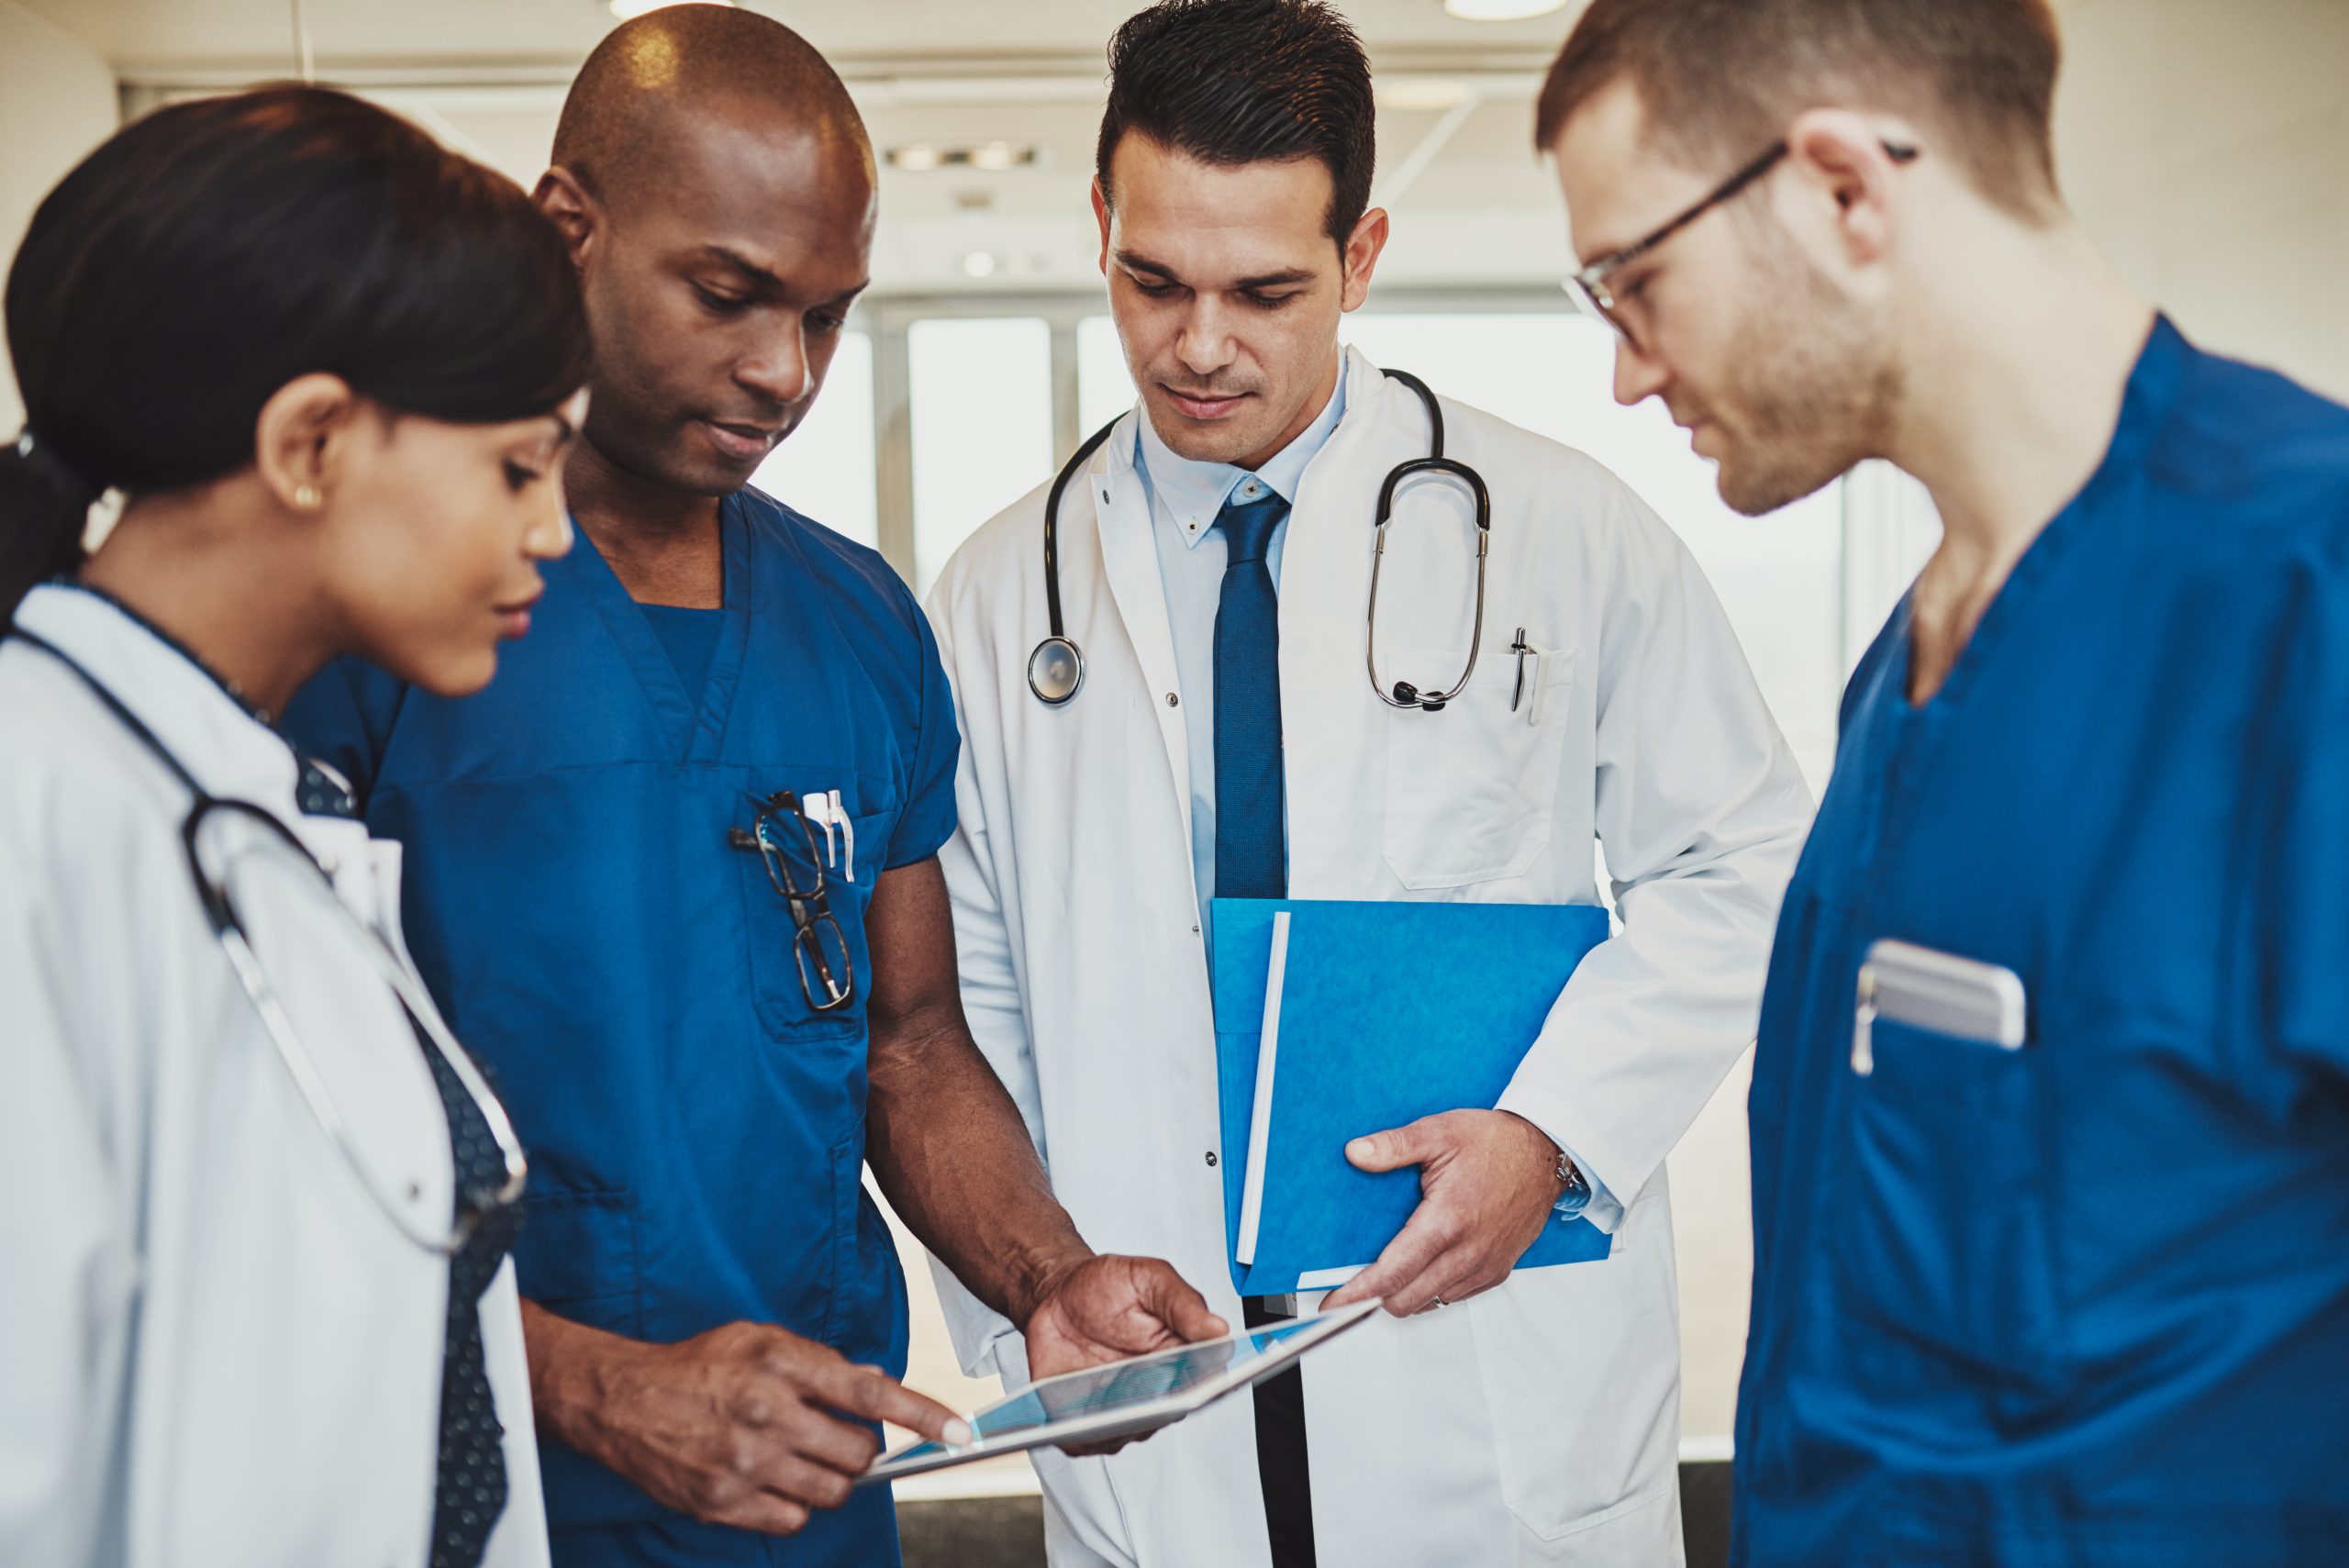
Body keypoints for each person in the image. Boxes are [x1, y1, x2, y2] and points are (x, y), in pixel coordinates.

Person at [282, 11, 1222, 1568]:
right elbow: (262, 1147)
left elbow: (907, 1047)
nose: (784, 370)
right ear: (563, 229)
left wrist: (1045, 1277)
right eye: (727, 296)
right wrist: (594, 1385)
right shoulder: (378, 616)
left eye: (830, 316)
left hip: (804, 1495)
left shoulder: (858, 625)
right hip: (469, 1484)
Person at [920, 2, 1815, 1562]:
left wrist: (1555, 1130)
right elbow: (966, 996)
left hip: (1488, 1411)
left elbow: (1742, 859)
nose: (1201, 345)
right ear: (1100, 227)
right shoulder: (1002, 596)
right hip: (1161, 1412)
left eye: (1265, 290)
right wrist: (1035, 1282)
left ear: (1364, 252)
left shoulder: (1560, 528)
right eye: (1154, 281)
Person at [1536, 2, 2349, 1564]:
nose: (1629, 374)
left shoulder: (2298, 600)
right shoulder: (1908, 668)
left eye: (1634, 283)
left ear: (1844, 188)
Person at [0, 85, 591, 1567]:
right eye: (518, 465)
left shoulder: (251, 803)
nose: (553, 531)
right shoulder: (39, 804)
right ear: (312, 442)